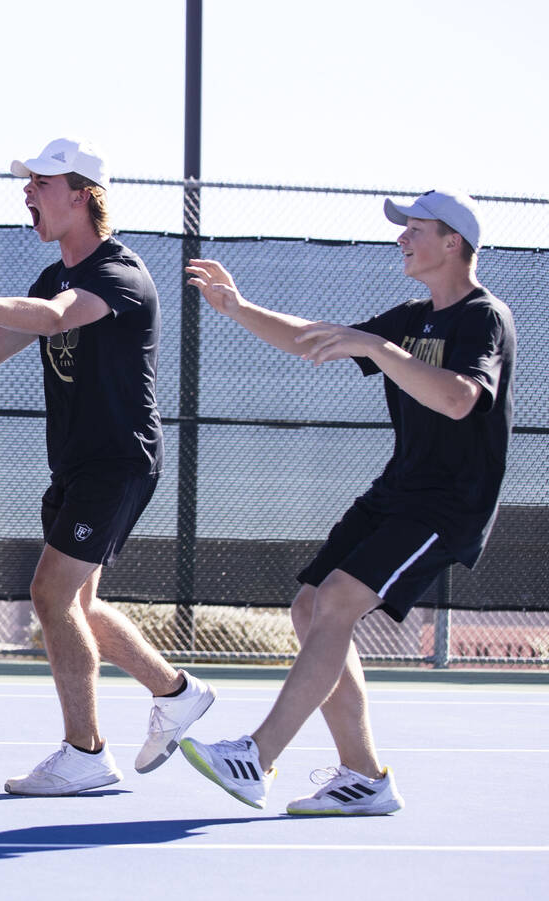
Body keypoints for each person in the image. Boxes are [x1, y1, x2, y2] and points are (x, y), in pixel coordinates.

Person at [180, 189, 515, 814]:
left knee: (336, 601)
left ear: (453, 243)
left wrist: (380, 349)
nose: (402, 238)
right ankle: (363, 777)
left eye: (416, 228)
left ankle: (258, 755)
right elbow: (314, 339)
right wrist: (237, 306)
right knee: (310, 607)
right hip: (400, 488)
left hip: (449, 505)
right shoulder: (415, 317)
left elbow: (460, 399)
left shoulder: (483, 317)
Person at [0, 137, 215, 796]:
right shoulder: (50, 276)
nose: (27, 193)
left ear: (82, 194)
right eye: (25, 182)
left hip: (117, 464)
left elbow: (58, 317)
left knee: (49, 594)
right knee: (78, 609)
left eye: (41, 182)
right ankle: (176, 693)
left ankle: (85, 751)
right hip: (74, 466)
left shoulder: (120, 273)